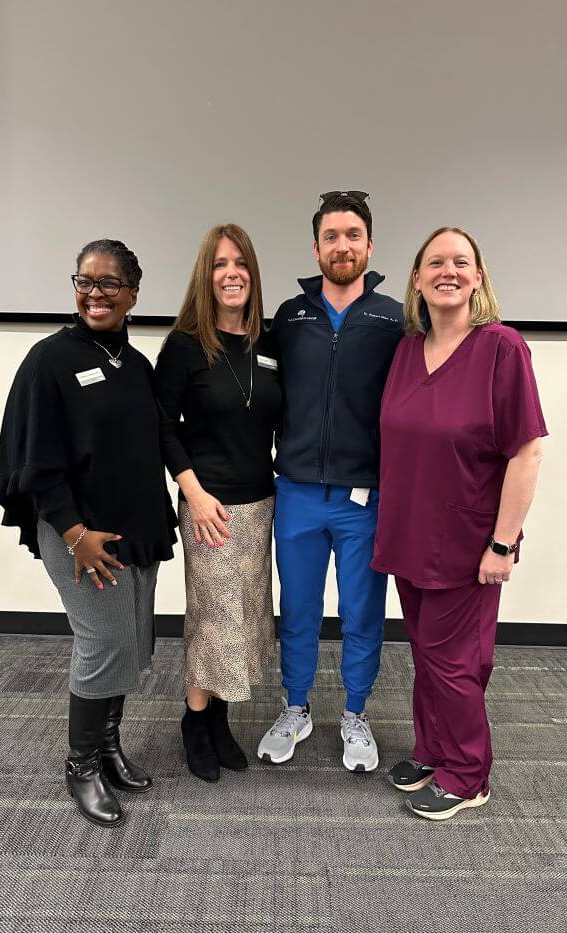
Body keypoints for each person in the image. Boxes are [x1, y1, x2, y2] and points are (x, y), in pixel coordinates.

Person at [0, 239, 177, 828]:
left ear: (133, 293)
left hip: (132, 528)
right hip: (76, 531)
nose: (95, 293)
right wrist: (75, 535)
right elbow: (36, 463)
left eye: (109, 283)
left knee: (129, 641)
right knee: (101, 640)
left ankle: (108, 747)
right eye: (84, 282)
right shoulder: (50, 360)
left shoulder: (138, 364)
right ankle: (81, 767)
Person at [371, 226, 547, 820]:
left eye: (461, 262)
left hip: (469, 540)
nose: (448, 270)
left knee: (454, 660)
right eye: (435, 262)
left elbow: (527, 452)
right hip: (409, 531)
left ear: (478, 276)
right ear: (417, 279)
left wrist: (502, 542)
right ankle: (432, 748)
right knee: (426, 652)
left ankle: (469, 774)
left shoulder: (501, 348)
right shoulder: (405, 349)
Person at [258, 192, 404, 772]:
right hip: (294, 491)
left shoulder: (395, 319)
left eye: (352, 235)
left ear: (369, 245)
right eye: (330, 236)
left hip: (363, 497)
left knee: (363, 612)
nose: (341, 245)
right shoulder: (289, 319)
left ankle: (356, 713)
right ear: (316, 247)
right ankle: (296, 707)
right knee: (297, 609)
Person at [154, 224, 281, 783]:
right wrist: (193, 491)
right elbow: (160, 427)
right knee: (211, 619)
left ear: (253, 274)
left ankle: (221, 720)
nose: (232, 274)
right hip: (210, 507)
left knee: (245, 617)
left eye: (241, 264)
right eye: (220, 265)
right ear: (206, 276)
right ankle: (195, 721)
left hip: (262, 503)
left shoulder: (267, 343)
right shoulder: (183, 346)